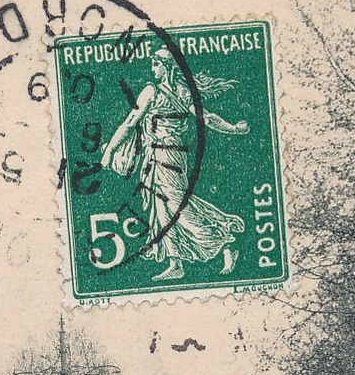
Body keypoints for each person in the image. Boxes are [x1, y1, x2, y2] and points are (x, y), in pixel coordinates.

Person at [100, 46, 251, 282]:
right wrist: (232, 128)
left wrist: (110, 150)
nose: (153, 69)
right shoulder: (173, 91)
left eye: (157, 64)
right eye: (153, 64)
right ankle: (176, 262)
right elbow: (132, 122)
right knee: (161, 209)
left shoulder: (161, 92)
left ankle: (224, 243)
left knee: (177, 207)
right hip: (158, 156)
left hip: (168, 156)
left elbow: (204, 117)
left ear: (168, 67)